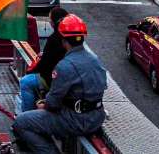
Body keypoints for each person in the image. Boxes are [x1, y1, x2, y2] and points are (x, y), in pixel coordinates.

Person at [12, 15, 107, 154]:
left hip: (76, 121)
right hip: (96, 117)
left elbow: (53, 103)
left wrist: (43, 104)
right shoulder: (95, 60)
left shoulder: (64, 66)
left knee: (21, 122)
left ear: (63, 40)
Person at [19, 7, 69, 113]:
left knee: (25, 81)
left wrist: (30, 71)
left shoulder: (55, 38)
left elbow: (44, 65)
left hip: (54, 79)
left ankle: (27, 115)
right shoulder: (70, 38)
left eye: (50, 20)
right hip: (63, 79)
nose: (49, 22)